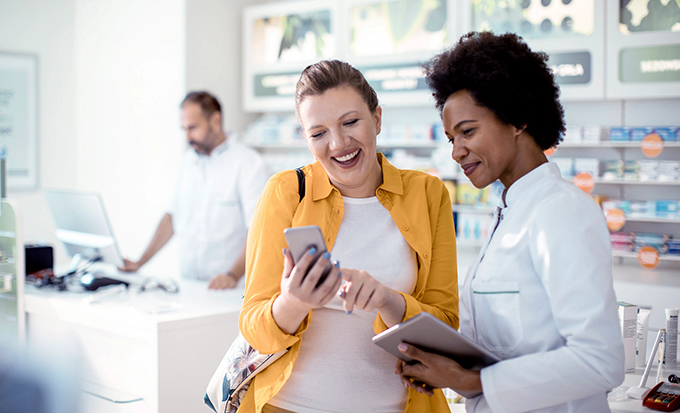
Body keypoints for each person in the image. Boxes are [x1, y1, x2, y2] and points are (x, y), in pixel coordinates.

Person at [395, 32, 625, 412]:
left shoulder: (562, 212)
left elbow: (600, 361)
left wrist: (472, 380)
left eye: (467, 131)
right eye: (452, 138)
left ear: (517, 118)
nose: (456, 152)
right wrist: (445, 366)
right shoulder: (509, 213)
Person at [238, 60, 459, 413]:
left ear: (377, 118)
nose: (338, 143)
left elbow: (446, 325)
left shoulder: (428, 195)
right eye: (318, 133)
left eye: (350, 122)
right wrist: (294, 301)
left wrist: (390, 301)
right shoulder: (285, 192)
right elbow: (254, 328)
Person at [120, 91, 268, 290]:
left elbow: (259, 228)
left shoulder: (248, 164)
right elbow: (172, 218)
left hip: (231, 287)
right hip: (190, 285)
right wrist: (140, 262)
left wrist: (232, 275)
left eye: (193, 128)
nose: (188, 137)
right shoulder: (189, 161)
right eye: (184, 129)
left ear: (215, 121)